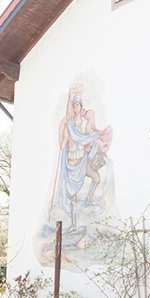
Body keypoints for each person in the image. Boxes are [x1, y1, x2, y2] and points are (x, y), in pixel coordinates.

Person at [55, 86, 112, 232]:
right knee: (72, 196)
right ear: (73, 108)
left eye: (78, 105)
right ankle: (73, 224)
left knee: (97, 179)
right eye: (73, 105)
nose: (76, 107)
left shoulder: (86, 124)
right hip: (71, 162)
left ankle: (89, 198)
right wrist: (61, 136)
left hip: (83, 160)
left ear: (81, 107)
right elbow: (65, 141)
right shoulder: (69, 124)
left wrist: (101, 144)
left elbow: (90, 136)